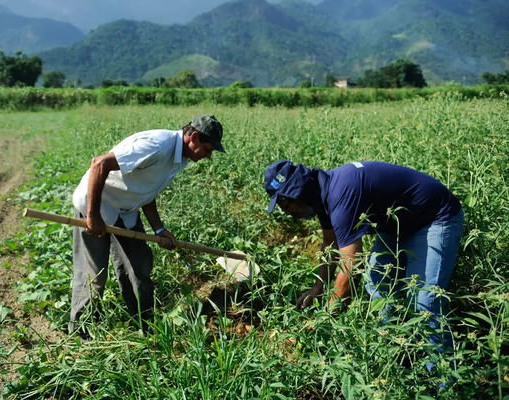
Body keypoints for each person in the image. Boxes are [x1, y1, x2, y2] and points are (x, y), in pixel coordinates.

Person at [263, 160, 464, 352]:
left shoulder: (341, 195)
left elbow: (352, 266)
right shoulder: (321, 195)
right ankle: (393, 350)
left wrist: (325, 319)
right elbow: (330, 244)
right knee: (377, 284)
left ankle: (441, 381)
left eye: (284, 205)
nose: (286, 212)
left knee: (425, 304)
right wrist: (318, 286)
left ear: (296, 193)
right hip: (397, 224)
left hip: (434, 218)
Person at [70, 115, 225, 336]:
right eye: (208, 149)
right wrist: (92, 215)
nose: (209, 156)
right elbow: (99, 163)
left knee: (139, 266)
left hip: (126, 210)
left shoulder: (179, 159)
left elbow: (147, 190)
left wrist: (159, 229)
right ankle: (81, 332)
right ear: (194, 137)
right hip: (96, 205)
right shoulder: (157, 145)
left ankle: (145, 326)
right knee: (94, 275)